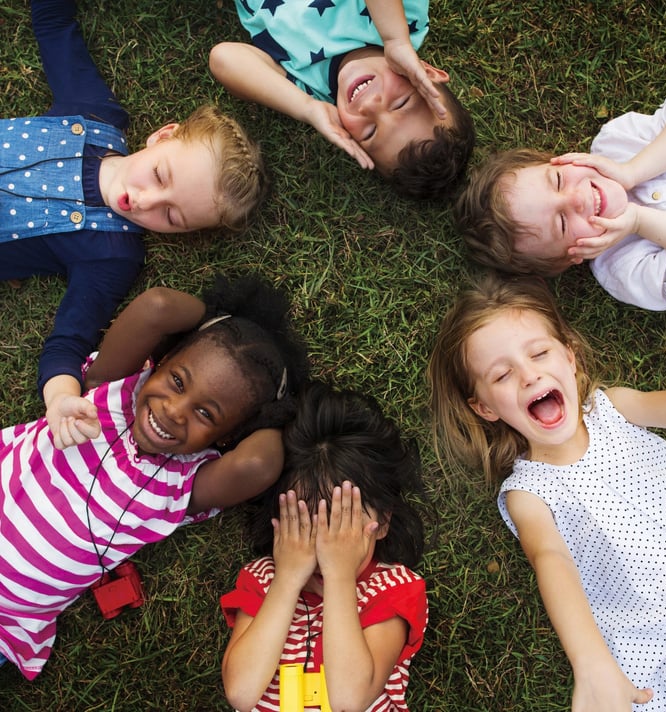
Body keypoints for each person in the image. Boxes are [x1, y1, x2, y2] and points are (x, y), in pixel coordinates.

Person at [428, 274, 666, 710]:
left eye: (539, 353)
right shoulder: (529, 494)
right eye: (502, 374)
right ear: (485, 407)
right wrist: (589, 662)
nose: (530, 375)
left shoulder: (615, 408)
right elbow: (551, 561)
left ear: (569, 357)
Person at [0, 272, 309, 681]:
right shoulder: (109, 393)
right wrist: (217, 321)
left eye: (206, 414)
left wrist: (272, 415)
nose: (174, 410)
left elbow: (259, 464)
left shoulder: (183, 487)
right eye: (177, 381)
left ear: (228, 436)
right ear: (161, 362)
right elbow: (158, 307)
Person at [2, 0, 267, 409]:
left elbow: (69, 342)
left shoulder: (112, 254)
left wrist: (60, 399)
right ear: (162, 136)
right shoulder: (95, 114)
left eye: (171, 216)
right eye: (161, 176)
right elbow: (54, 25)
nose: (145, 202)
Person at [454, 86, 666, 311]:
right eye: (562, 222)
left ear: (559, 160)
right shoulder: (623, 270)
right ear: (572, 256)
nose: (576, 199)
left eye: (559, 180)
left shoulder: (617, 141)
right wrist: (639, 221)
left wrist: (633, 171)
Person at [220, 381, 428, 712]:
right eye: (305, 521)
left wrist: (340, 576)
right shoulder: (263, 579)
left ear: (382, 523)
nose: (323, 545)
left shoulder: (393, 588)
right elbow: (241, 694)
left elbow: (350, 701)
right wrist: (286, 579)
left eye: (341, 523)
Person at [209, 0, 475, 200]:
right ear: (427, 73)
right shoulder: (406, 19)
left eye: (370, 132)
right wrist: (395, 39)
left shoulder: (307, 90)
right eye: (401, 103)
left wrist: (307, 108)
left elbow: (224, 59)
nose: (371, 107)